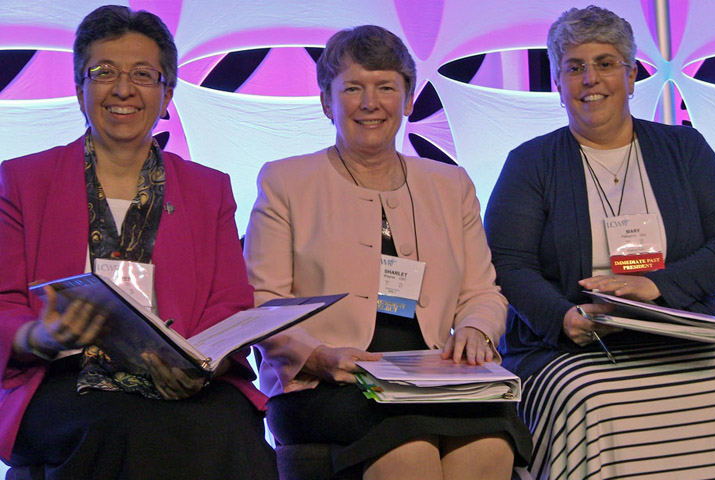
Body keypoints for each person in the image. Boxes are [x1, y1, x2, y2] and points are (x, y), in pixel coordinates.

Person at [484, 5, 715, 479]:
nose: (589, 79)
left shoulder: (685, 149)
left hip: (684, 333)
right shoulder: (530, 163)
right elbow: (509, 265)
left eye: (605, 63)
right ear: (558, 84)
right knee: (588, 398)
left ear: (632, 75)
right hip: (573, 346)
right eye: (574, 67)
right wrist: (565, 319)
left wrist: (656, 286)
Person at [0, 6, 277, 479]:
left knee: (231, 424)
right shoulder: (24, 179)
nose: (123, 89)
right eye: (104, 72)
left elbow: (230, 304)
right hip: (67, 375)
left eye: (143, 75)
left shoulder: (208, 189)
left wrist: (197, 364)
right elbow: (4, 300)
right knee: (126, 423)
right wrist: (36, 335)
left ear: (167, 91)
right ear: (78, 88)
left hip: (185, 377)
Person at [244, 25, 531, 480]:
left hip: (436, 376)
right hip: (328, 382)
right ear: (326, 101)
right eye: (353, 88)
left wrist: (477, 329)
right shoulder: (286, 182)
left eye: (385, 88)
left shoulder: (449, 184)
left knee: (491, 448)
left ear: (409, 99)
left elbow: (483, 292)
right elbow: (264, 307)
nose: (370, 103)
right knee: (408, 453)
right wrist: (320, 356)